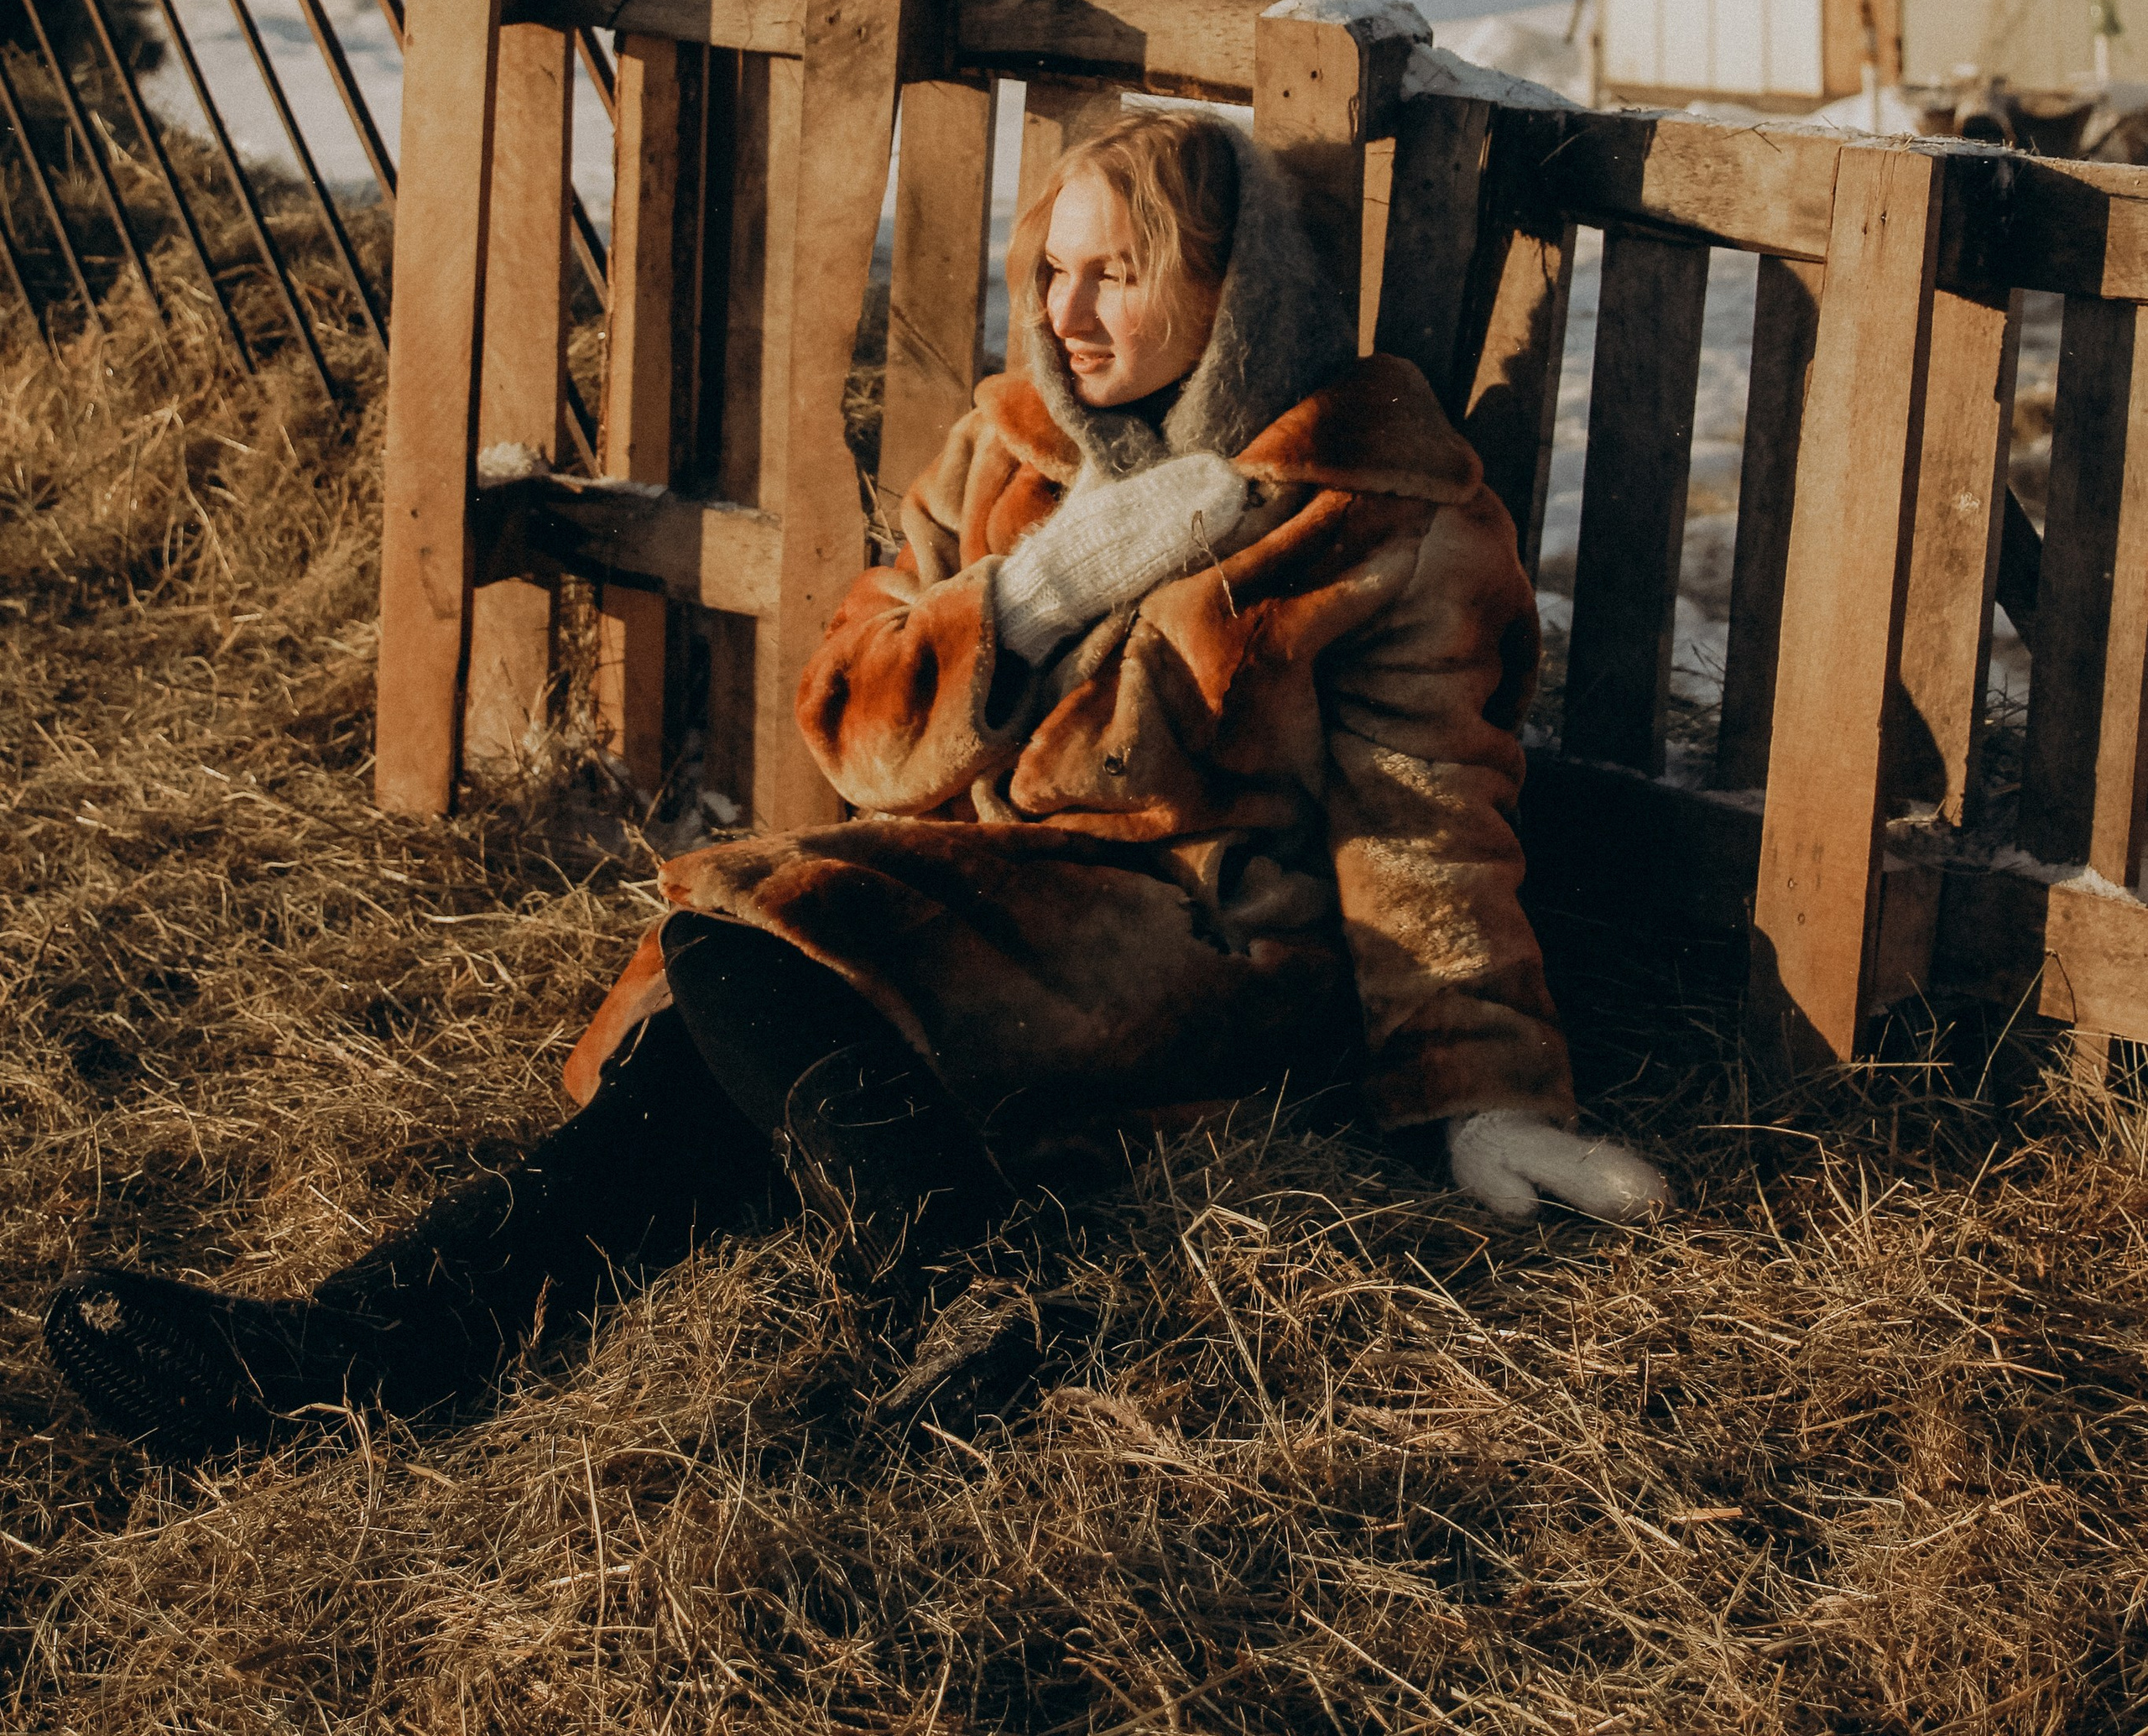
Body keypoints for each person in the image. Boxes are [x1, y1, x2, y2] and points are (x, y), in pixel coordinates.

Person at [46, 111, 1661, 1460]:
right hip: (985, 905)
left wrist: (1483, 1091)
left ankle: (965, 1268)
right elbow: (862, 731)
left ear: (1232, 291)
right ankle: (345, 1358)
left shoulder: (1374, 502)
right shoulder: (1012, 446)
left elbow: (1425, 813)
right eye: (1055, 266)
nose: (1074, 308)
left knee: (739, 940)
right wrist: (1030, 596)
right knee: (686, 1089)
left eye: (1123, 270)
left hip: (1200, 940)